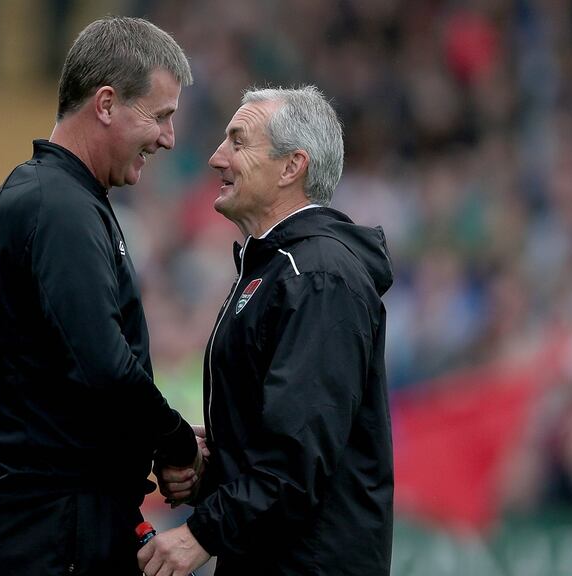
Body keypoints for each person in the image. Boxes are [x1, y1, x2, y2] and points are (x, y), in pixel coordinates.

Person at [0, 16, 202, 575]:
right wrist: (176, 444)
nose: (168, 138)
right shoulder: (58, 207)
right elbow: (102, 363)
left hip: (61, 515)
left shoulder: (67, 198)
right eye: (160, 116)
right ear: (105, 104)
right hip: (57, 524)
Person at [141, 86, 395, 575]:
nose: (217, 158)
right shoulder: (279, 269)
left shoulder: (318, 276)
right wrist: (212, 470)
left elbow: (296, 458)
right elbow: (282, 436)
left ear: (291, 167)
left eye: (238, 142)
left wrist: (202, 533)